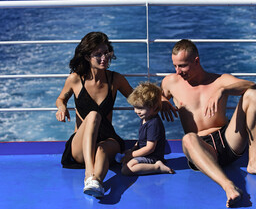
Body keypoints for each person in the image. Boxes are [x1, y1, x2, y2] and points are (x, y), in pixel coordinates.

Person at [161, 39, 256, 208]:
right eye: (175, 66)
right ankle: (228, 186)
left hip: (228, 141)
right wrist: (161, 99)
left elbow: (252, 85)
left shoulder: (220, 80)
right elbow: (154, 95)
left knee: (254, 96)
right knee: (188, 139)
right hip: (201, 149)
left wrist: (223, 90)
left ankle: (254, 162)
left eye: (183, 66)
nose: (178, 71)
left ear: (196, 61)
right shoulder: (171, 82)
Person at [55, 32, 133, 198]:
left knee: (102, 149)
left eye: (106, 53)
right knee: (93, 116)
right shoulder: (75, 79)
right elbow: (61, 98)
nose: (104, 58)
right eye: (98, 54)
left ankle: (95, 181)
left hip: (107, 139)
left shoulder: (115, 79)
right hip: (80, 145)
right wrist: (61, 107)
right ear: (86, 57)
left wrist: (160, 99)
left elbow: (137, 99)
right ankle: (89, 173)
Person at [121, 82, 175, 175]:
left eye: (140, 108)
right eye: (135, 107)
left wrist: (132, 155)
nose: (137, 111)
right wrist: (133, 149)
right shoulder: (145, 118)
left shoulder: (153, 124)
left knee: (126, 170)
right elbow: (142, 139)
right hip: (146, 155)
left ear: (154, 108)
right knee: (124, 162)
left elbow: (150, 148)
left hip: (152, 157)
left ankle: (157, 167)